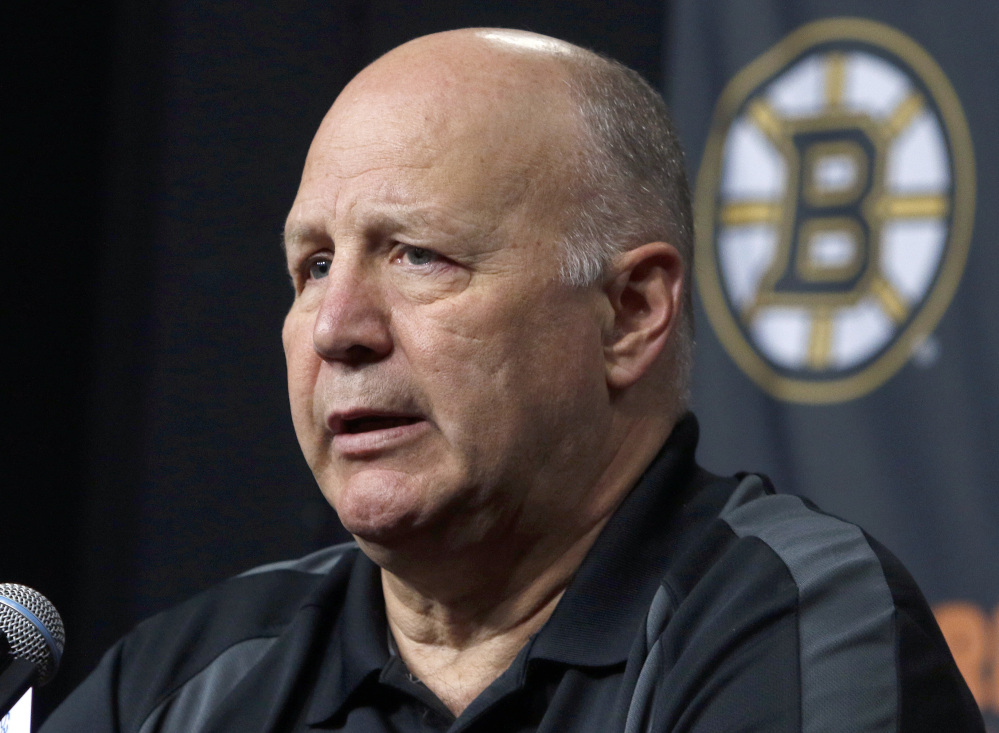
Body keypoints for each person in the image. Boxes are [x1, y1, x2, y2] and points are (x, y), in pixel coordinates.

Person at [41, 28, 983, 733]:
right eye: (314, 266)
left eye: (417, 256)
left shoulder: (786, 617)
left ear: (629, 312)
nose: (336, 329)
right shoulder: (186, 678)